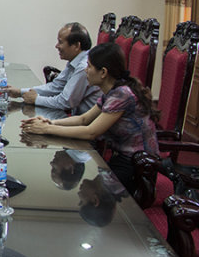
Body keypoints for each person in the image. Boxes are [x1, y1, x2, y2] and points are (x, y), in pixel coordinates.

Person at [21, 43, 160, 192]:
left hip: (136, 164)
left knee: (103, 194)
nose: (85, 70)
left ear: (103, 72)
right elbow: (84, 119)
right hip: (121, 156)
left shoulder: (122, 94)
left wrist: (47, 129)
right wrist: (50, 122)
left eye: (89, 66)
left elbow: (91, 132)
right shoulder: (111, 91)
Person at [7, 22, 101, 115]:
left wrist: (36, 99)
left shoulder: (84, 67)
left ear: (76, 46)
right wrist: (20, 92)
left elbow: (65, 102)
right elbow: (55, 87)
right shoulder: (74, 62)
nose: (56, 46)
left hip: (84, 122)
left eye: (60, 42)